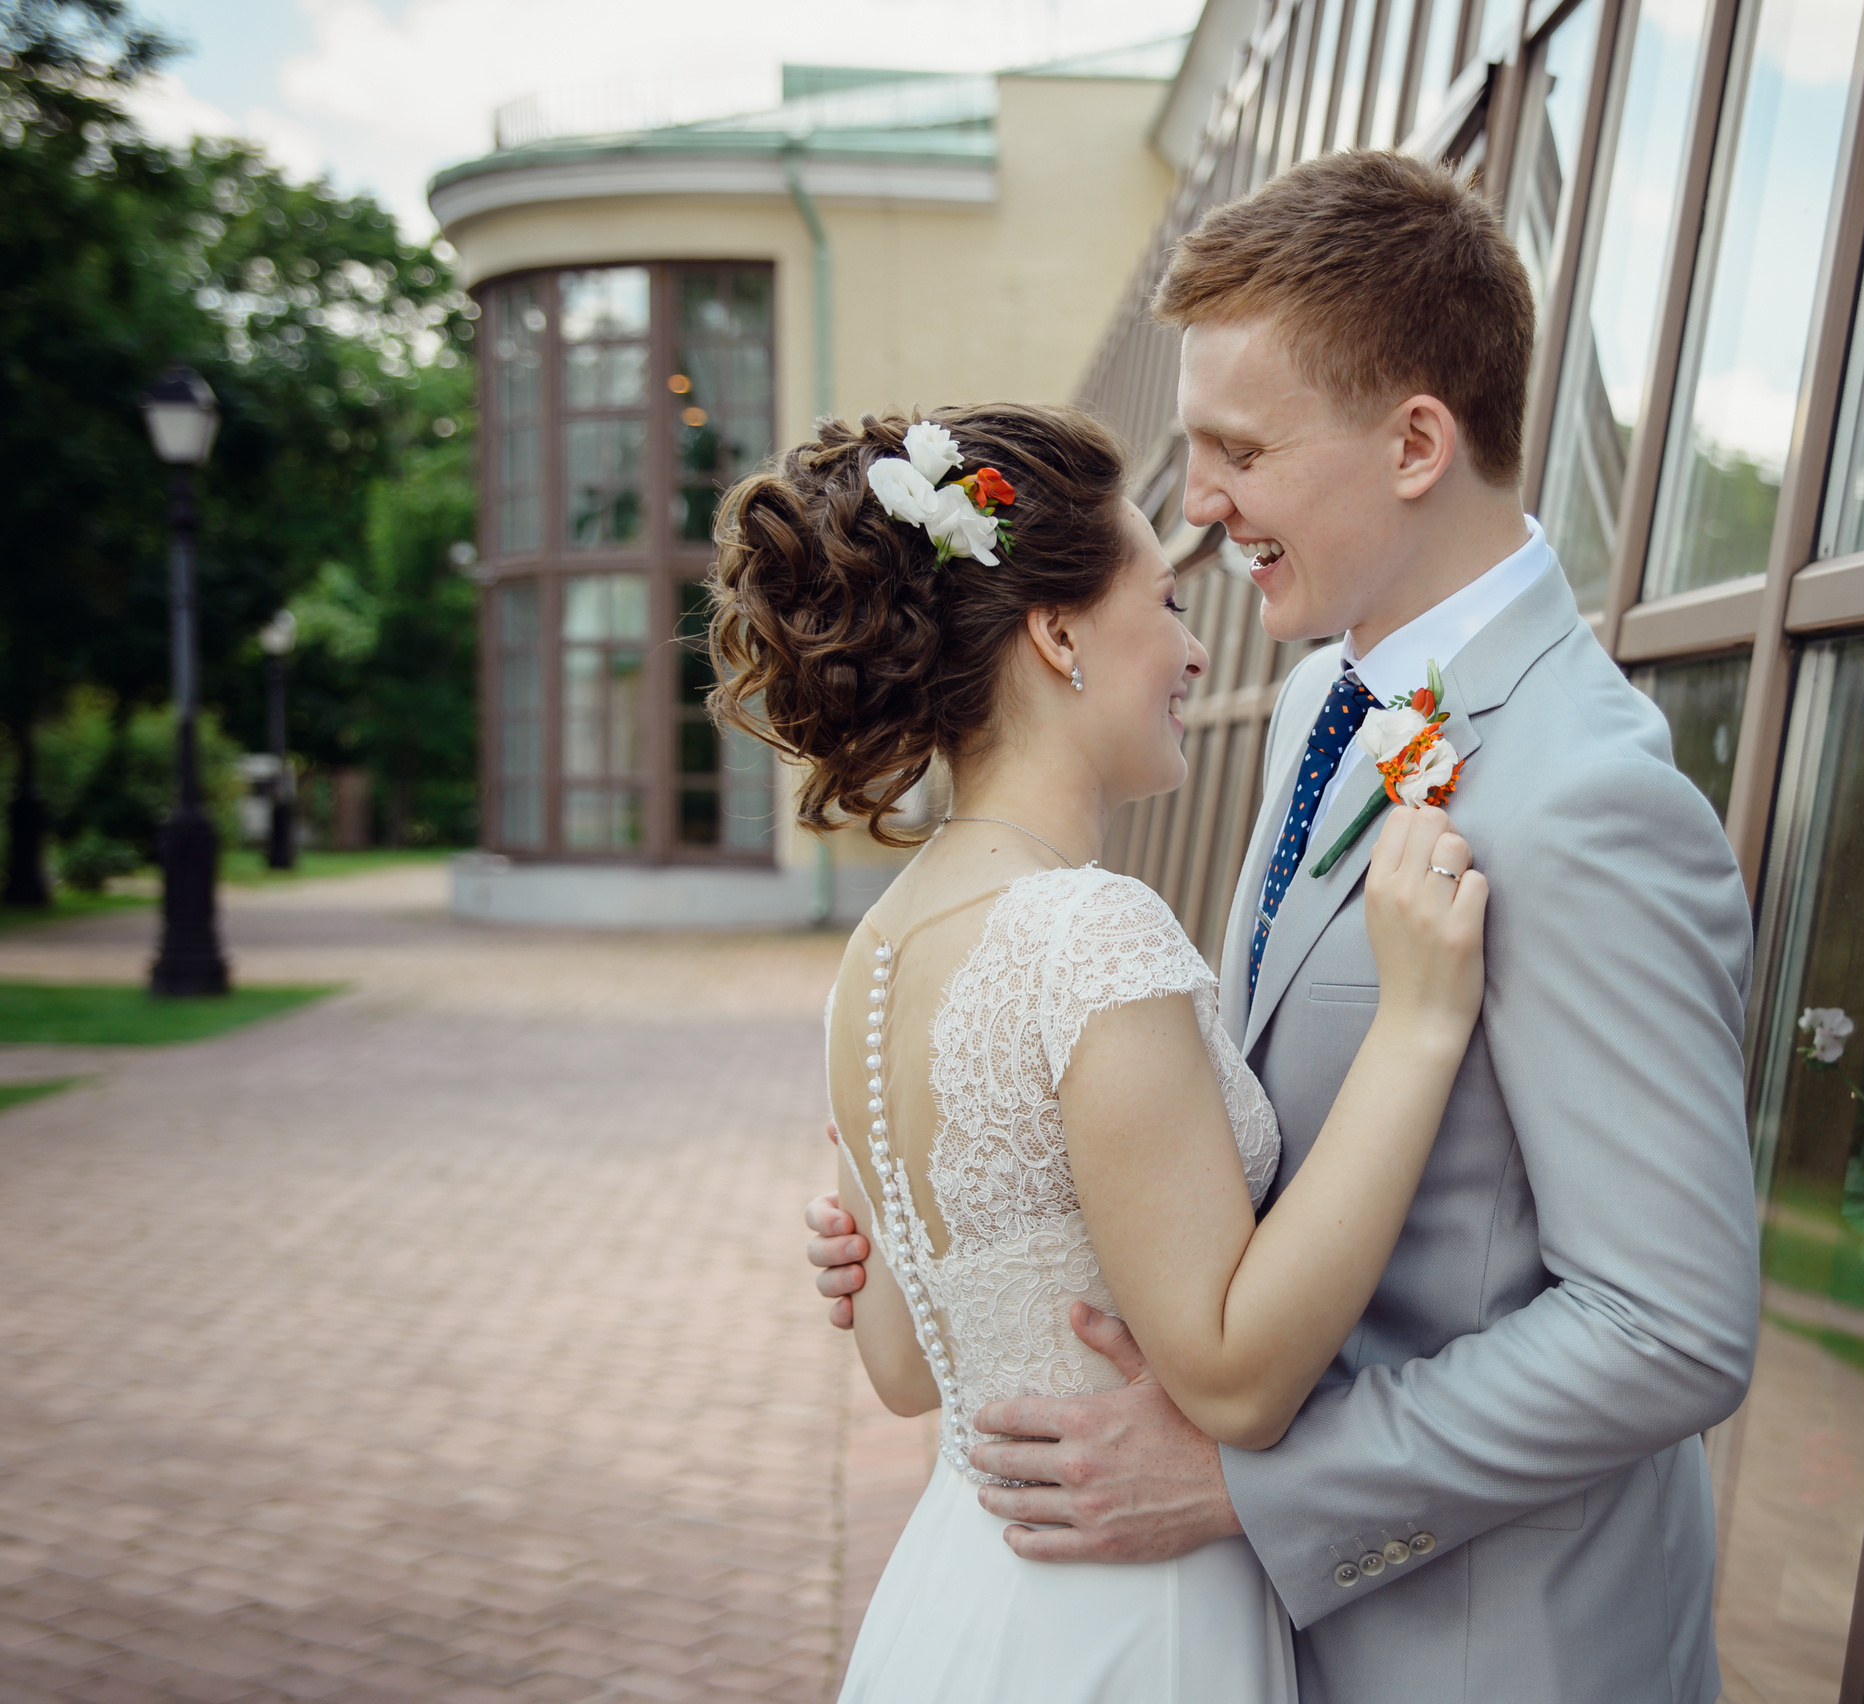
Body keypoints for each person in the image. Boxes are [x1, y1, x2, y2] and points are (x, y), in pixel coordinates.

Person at [806, 150, 1760, 1701]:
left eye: (1239, 449)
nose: (1202, 509)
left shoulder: (1591, 801)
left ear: (1414, 443)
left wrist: (1256, 1492)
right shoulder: (1325, 697)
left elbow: (1669, 1328)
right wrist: (952, 1238)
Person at [709, 400, 1490, 1702]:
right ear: (1059, 632)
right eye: (1169, 601)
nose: (1194, 652)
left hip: (961, 1599)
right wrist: (1417, 1026)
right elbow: (1234, 1378)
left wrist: (875, 1249)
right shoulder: (1085, 930)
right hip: (1128, 1623)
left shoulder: (879, 951)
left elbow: (909, 1374)